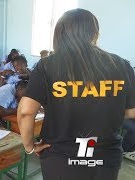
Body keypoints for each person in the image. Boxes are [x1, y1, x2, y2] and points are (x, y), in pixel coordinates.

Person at [17, 9, 135, 180]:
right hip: (105, 154)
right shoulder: (122, 65)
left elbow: (25, 111)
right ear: (95, 33)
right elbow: (132, 112)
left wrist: (29, 146)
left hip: (60, 156)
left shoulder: (47, 65)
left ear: (60, 34)